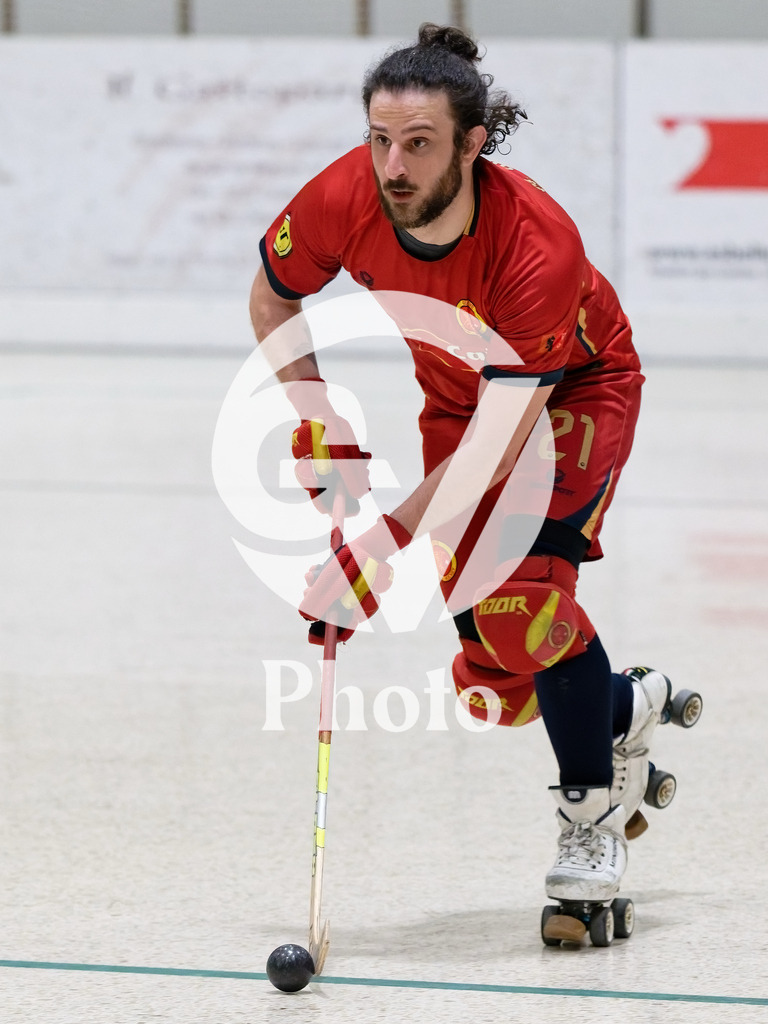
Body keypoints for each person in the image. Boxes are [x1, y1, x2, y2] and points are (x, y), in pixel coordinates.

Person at [249, 23, 678, 941]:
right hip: (460, 405)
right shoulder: (343, 196)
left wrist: (379, 544)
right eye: (379, 140)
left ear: (473, 145)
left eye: (418, 144)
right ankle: (625, 706)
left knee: (526, 602)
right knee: (497, 684)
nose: (391, 166)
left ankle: (590, 824)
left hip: (572, 395)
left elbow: (500, 443)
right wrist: (317, 416)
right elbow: (273, 295)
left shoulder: (538, 248)